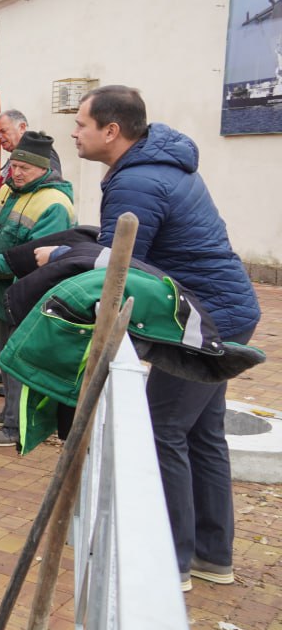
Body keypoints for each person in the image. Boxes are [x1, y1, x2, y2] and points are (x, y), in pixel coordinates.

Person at [60, 85, 260, 591]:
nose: (74, 132)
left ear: (111, 131)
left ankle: (171, 561)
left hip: (206, 317)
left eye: (81, 124)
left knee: (163, 428)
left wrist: (57, 263)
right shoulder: (157, 165)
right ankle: (211, 555)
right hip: (226, 309)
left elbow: (118, 268)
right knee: (202, 432)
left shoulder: (136, 182)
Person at [0, 131, 74, 447]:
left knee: (21, 361)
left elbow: (33, 257)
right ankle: (10, 412)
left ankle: (17, 427)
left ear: (44, 168)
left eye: (24, 168)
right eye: (13, 165)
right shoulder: (12, 191)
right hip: (7, 294)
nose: (16, 172)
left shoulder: (53, 204)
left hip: (30, 295)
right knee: (6, 358)